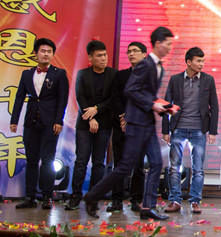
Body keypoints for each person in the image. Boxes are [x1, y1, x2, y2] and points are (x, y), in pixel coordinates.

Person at [84, 26, 174, 221]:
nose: (170, 47)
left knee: (156, 163)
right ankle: (92, 196)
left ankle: (147, 207)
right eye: (168, 44)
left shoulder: (159, 67)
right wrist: (152, 105)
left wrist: (164, 106)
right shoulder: (145, 65)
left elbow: (146, 94)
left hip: (147, 123)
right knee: (126, 167)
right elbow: (130, 90)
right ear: (158, 43)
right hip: (136, 123)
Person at [10, 38, 69, 209]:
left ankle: (47, 196)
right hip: (31, 122)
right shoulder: (26, 74)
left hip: (50, 123)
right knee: (31, 160)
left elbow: (62, 100)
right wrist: (14, 120)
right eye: (43, 51)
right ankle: (30, 197)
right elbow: (19, 97)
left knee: (48, 160)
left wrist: (58, 120)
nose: (46, 54)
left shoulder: (59, 74)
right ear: (36, 53)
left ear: (53, 54)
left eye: (49, 52)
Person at [162, 47, 219, 214]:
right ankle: (175, 200)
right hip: (178, 128)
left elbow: (214, 106)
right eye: (198, 61)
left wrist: (212, 131)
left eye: (203, 61)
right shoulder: (175, 80)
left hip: (199, 129)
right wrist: (165, 130)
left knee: (198, 169)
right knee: (174, 167)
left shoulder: (208, 80)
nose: (201, 64)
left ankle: (195, 200)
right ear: (188, 62)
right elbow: (167, 105)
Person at [66, 40, 116, 211]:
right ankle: (75, 196)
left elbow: (112, 99)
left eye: (105, 55)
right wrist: (90, 119)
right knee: (81, 160)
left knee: (99, 162)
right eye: (99, 56)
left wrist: (97, 109)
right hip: (84, 124)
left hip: (105, 124)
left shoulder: (113, 74)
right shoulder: (82, 74)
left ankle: (93, 197)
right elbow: (80, 98)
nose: (103, 58)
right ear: (90, 58)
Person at [109, 41, 147, 213]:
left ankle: (136, 199)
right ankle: (116, 199)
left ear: (144, 54)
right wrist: (123, 118)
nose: (131, 54)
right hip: (120, 126)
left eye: (135, 51)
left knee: (138, 166)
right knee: (119, 164)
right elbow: (115, 98)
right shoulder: (120, 75)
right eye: (129, 51)